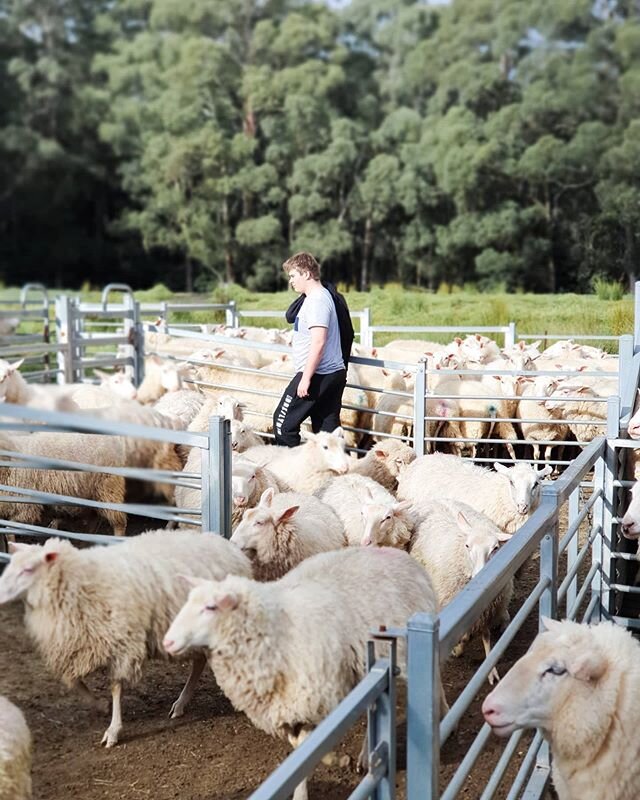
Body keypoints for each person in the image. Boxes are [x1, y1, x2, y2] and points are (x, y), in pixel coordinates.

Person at [273, 252, 352, 447]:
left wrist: (306, 378)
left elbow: (319, 341)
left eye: (293, 276)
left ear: (306, 274)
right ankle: (334, 472)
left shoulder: (317, 300)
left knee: (283, 424)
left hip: (317, 373)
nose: (291, 281)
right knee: (328, 431)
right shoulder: (318, 297)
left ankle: (295, 471)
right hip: (331, 373)